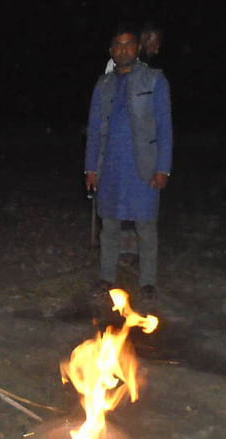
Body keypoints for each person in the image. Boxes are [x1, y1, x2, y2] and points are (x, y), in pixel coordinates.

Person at [85, 23, 173, 303]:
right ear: (112, 50)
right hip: (110, 166)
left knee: (146, 226)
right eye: (118, 45)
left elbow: (165, 127)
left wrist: (163, 167)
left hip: (143, 166)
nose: (123, 49)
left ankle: (147, 281)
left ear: (137, 48)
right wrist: (90, 168)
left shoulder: (154, 80)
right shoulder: (104, 84)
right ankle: (106, 277)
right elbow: (94, 126)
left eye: (129, 44)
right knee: (108, 225)